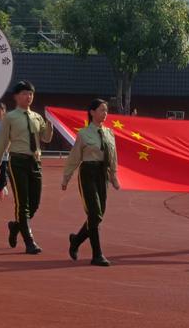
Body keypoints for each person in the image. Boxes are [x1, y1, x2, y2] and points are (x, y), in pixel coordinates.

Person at [0, 80, 53, 254]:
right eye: (25, 93)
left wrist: (50, 126)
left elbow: (46, 139)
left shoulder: (37, 117)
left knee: (34, 203)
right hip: (17, 161)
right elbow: (3, 141)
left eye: (31, 94)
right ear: (16, 97)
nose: (29, 97)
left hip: (35, 161)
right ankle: (29, 241)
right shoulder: (10, 117)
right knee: (22, 203)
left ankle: (15, 227)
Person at [62, 99, 120, 266]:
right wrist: (66, 178)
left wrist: (113, 176)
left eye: (106, 110)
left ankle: (76, 240)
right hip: (88, 172)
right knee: (94, 213)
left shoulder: (110, 133)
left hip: (102, 174)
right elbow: (74, 157)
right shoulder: (84, 134)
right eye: (101, 110)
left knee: (99, 215)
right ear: (92, 112)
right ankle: (97, 254)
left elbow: (113, 156)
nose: (105, 113)